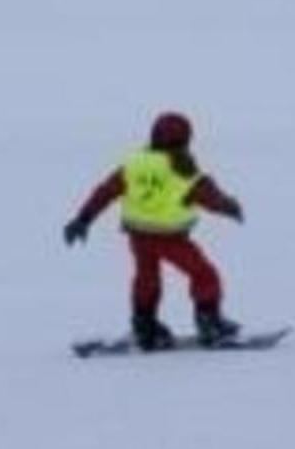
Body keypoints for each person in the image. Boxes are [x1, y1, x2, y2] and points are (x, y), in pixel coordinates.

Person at [63, 111, 243, 350]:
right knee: (204, 274)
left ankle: (144, 325)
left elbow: (105, 191)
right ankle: (209, 323)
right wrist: (229, 206)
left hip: (139, 236)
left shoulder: (134, 164)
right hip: (171, 238)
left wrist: (83, 219)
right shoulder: (184, 170)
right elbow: (210, 198)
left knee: (147, 279)